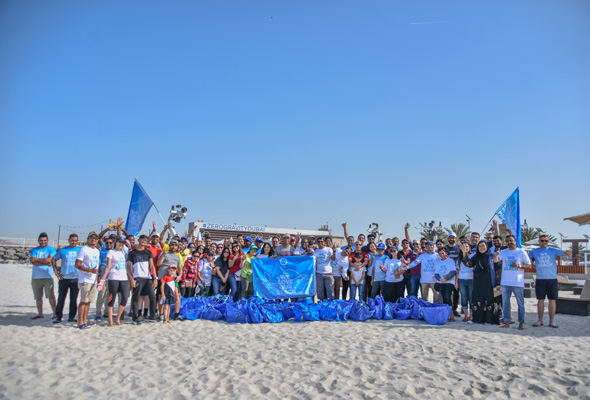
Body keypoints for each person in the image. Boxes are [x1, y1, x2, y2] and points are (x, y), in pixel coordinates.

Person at [529, 235, 571, 328]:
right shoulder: (535, 251)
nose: (544, 242)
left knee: (552, 300)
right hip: (540, 279)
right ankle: (540, 320)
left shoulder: (553, 250)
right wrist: (533, 267)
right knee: (540, 300)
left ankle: (552, 321)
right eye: (542, 240)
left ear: (548, 242)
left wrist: (568, 252)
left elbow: (565, 253)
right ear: (539, 241)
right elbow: (527, 259)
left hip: (552, 279)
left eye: (546, 241)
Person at [494, 235, 531, 331]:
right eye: (507, 241)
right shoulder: (503, 252)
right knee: (505, 303)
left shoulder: (521, 252)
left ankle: (521, 323)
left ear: (515, 241)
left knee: (520, 304)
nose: (509, 242)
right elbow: (496, 261)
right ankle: (506, 322)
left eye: (511, 240)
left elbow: (529, 265)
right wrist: (496, 255)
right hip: (505, 282)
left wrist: (519, 266)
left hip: (517, 282)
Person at [462, 241, 500, 325]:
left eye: (483, 246)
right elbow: (468, 264)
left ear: (487, 247)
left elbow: (497, 268)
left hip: (489, 281)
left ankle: (489, 320)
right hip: (478, 281)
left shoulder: (491, 256)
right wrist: (464, 253)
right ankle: (477, 319)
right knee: (477, 299)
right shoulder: (476, 256)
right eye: (480, 246)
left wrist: (498, 282)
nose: (481, 248)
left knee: (489, 300)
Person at [127, 235, 158, 325]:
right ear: (139, 240)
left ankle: (152, 316)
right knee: (136, 298)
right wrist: (132, 279)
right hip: (137, 277)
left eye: (145, 240)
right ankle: (135, 318)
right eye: (142, 239)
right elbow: (128, 267)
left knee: (153, 297)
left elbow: (152, 266)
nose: (144, 241)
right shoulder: (132, 253)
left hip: (148, 278)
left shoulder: (148, 252)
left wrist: (155, 278)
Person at [100, 237, 129, 327]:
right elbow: (108, 266)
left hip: (124, 278)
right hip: (114, 278)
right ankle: (110, 320)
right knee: (112, 299)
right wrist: (102, 279)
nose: (121, 244)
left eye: (122, 243)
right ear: (115, 242)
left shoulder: (122, 252)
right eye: (119, 242)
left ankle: (117, 318)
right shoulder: (111, 252)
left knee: (125, 298)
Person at [75, 231, 101, 329]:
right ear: (88, 238)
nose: (93, 239)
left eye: (95, 238)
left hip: (93, 280)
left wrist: (97, 277)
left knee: (89, 301)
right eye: (91, 237)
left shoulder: (97, 251)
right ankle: (80, 322)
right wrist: (90, 270)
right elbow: (77, 264)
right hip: (85, 279)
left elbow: (97, 265)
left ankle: (85, 320)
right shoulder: (83, 250)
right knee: (83, 301)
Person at [52, 233, 80, 323]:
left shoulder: (80, 250)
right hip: (64, 278)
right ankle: (58, 316)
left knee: (73, 299)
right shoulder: (63, 250)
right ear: (69, 240)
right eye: (72, 240)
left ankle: (71, 316)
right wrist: (56, 272)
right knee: (61, 298)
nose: (74, 242)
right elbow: (54, 259)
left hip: (76, 278)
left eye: (75, 241)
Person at [30, 232, 57, 320]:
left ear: (47, 240)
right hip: (36, 277)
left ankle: (55, 313)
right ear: (38, 240)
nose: (43, 242)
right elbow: (32, 261)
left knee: (51, 296)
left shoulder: (51, 249)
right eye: (41, 240)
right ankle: (40, 314)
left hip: (48, 276)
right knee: (38, 297)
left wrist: (37, 260)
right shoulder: (35, 250)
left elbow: (49, 260)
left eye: (45, 240)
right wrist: (44, 261)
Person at [434, 247, 457, 321]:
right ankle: (446, 314)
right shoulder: (438, 263)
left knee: (447, 297)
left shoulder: (451, 261)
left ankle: (452, 314)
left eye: (443, 253)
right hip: (441, 282)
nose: (441, 255)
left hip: (449, 282)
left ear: (446, 253)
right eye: (440, 254)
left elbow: (453, 271)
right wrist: (440, 279)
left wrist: (446, 279)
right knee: (444, 298)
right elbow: (436, 274)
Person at [95, 236, 114, 320]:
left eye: (110, 243)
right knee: (101, 296)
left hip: (112, 278)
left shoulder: (114, 252)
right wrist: (98, 276)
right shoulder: (101, 252)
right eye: (107, 243)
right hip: (103, 277)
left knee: (109, 296)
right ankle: (98, 313)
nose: (109, 244)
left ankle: (107, 312)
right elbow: (99, 265)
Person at [457, 240, 474, 322]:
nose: (465, 248)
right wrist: (456, 282)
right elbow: (458, 271)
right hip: (462, 280)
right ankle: (465, 315)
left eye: (467, 246)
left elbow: (468, 263)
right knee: (464, 297)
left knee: (471, 297)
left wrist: (465, 253)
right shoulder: (459, 259)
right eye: (463, 247)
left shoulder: (473, 256)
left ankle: (471, 315)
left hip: (471, 280)